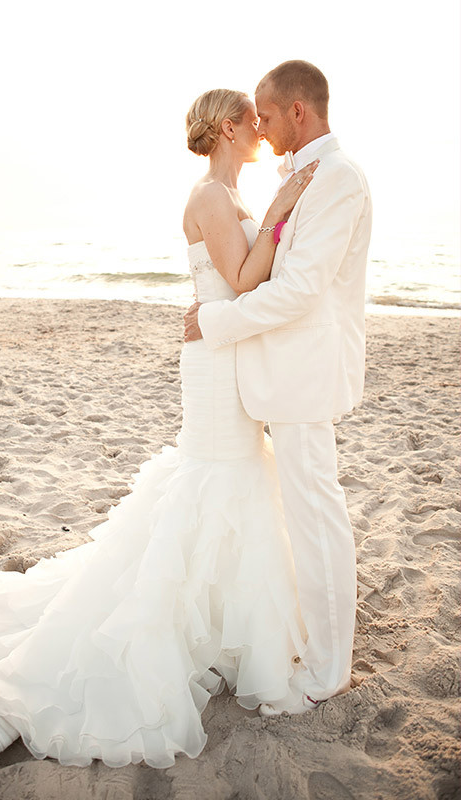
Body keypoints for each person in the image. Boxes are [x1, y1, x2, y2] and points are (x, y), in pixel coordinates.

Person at [0, 87, 321, 768]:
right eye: (254, 120)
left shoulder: (225, 195)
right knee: (214, 480)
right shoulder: (211, 196)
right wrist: (281, 211)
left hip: (226, 346)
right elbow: (238, 278)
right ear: (232, 126)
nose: (264, 130)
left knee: (236, 481)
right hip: (214, 358)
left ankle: (221, 631)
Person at [185, 60, 372, 714]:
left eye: (266, 116)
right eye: (250, 119)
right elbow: (263, 273)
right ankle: (320, 648)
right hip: (283, 377)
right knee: (306, 515)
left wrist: (214, 321)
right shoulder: (303, 176)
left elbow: (296, 292)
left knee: (317, 520)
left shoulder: (339, 179)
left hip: (304, 377)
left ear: (298, 111)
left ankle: (327, 671)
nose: (260, 129)